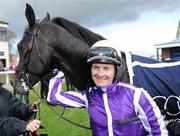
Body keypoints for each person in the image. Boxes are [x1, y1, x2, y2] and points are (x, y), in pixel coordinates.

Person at [47, 40, 169, 135]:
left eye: (106, 68)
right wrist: (60, 72)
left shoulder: (136, 94)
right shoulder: (88, 96)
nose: (100, 74)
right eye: (96, 67)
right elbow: (54, 97)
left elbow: (159, 131)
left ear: (115, 71)